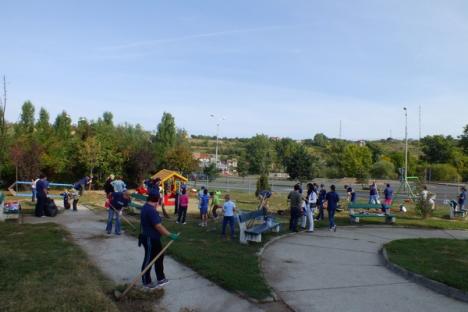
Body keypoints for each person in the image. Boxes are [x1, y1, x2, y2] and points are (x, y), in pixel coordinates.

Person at [140, 192, 179, 289]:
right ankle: (146, 281)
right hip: (149, 238)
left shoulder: (146, 207)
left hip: (155, 238)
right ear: (156, 201)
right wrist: (170, 235)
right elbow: (158, 226)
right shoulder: (150, 210)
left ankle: (161, 278)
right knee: (149, 259)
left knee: (159, 257)